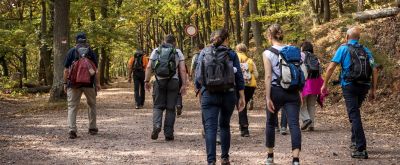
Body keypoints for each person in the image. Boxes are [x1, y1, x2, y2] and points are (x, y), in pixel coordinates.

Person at [321, 27, 378, 159]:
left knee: (354, 115)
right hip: (364, 86)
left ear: (347, 37)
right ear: (358, 38)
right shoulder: (366, 50)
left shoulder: (343, 49)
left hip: (349, 86)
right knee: (355, 112)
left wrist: (324, 84)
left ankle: (361, 148)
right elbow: (375, 70)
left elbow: (331, 67)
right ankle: (354, 140)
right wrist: (373, 89)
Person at [195, 29, 246, 165]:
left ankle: (211, 161)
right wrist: (242, 96)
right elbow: (239, 76)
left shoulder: (203, 53)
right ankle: (225, 158)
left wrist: (199, 89)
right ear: (226, 39)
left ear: (212, 39)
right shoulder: (231, 53)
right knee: (224, 125)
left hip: (209, 94)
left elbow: (198, 76)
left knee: (210, 128)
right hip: (228, 94)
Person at [263, 24, 303, 165]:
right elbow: (301, 73)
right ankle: (296, 159)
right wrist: (300, 92)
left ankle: (270, 156)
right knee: (294, 124)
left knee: (270, 122)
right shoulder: (295, 51)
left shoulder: (267, 53)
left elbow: (268, 77)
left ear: (269, 36)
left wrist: (268, 97)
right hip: (292, 91)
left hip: (275, 91)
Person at [144, 34, 187, 141]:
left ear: (164, 41)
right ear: (174, 42)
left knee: (158, 106)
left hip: (159, 81)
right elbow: (182, 70)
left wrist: (147, 81)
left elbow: (149, 66)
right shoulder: (178, 52)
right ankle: (168, 133)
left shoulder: (156, 51)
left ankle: (157, 125)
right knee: (170, 108)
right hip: (173, 81)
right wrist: (184, 85)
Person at [63, 32, 101, 139]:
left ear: (76, 41)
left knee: (72, 107)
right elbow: (96, 70)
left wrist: (65, 83)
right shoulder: (91, 52)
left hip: (73, 84)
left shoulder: (71, 52)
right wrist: (97, 83)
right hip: (89, 83)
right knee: (92, 105)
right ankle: (92, 128)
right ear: (85, 40)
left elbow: (66, 70)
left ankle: (72, 130)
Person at [299, 41, 324, 131]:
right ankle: (311, 125)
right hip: (315, 83)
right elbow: (320, 70)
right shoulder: (315, 57)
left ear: (303, 48)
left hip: (305, 82)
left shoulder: (301, 55)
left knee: (301, 103)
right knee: (312, 104)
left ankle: (306, 119)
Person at [236, 43, 258, 137]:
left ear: (237, 50)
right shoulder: (250, 60)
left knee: (241, 105)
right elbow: (256, 75)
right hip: (250, 85)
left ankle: (244, 128)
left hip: (238, 85)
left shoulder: (234, 58)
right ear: (245, 50)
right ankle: (243, 126)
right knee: (243, 105)